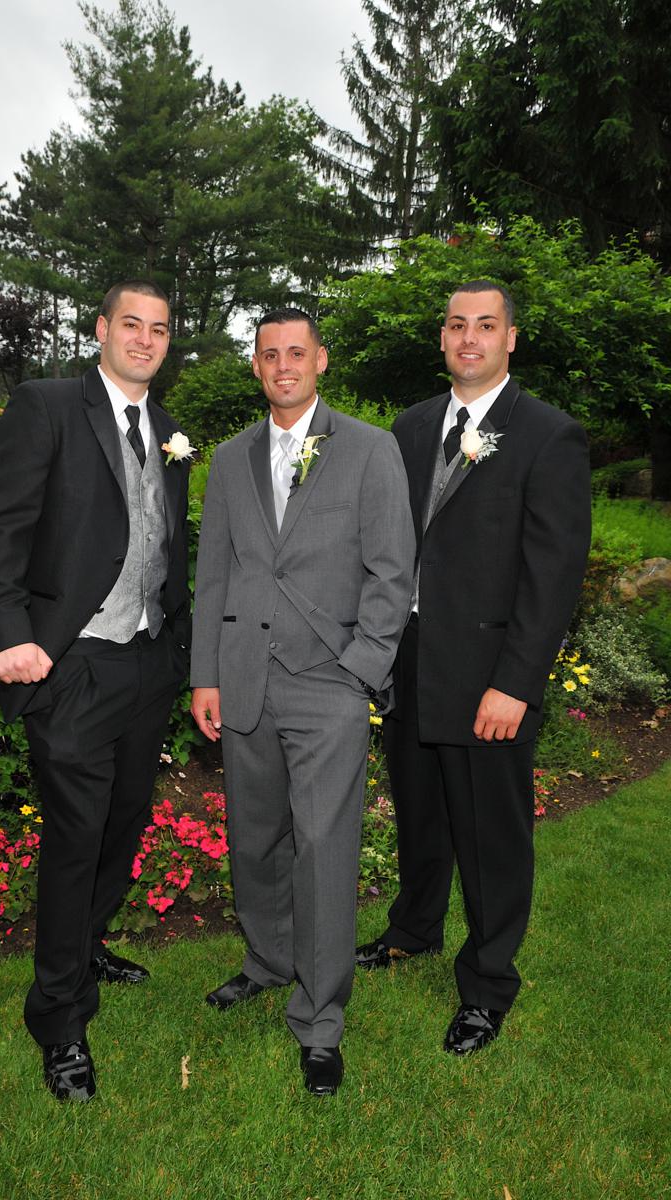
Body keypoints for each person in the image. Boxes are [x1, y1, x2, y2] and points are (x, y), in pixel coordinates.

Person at [0, 281, 192, 1101]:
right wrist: (8, 634)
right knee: (75, 837)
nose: (144, 339)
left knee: (123, 823)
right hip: (71, 665)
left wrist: (180, 648)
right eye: (131, 324)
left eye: (158, 329)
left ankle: (87, 943)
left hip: (147, 662)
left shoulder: (170, 431)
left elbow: (165, 544)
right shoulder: (49, 406)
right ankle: (60, 1020)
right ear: (101, 329)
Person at [356, 280, 591, 1055]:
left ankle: (487, 985)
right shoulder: (411, 426)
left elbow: (553, 575)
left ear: (510, 338)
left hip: (489, 672)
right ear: (443, 336)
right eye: (457, 325)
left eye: (485, 325)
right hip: (411, 659)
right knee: (420, 812)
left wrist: (515, 684)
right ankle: (413, 929)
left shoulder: (548, 435)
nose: (469, 338)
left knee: (491, 837)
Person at [190, 309, 415, 1095]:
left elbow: (393, 570)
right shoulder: (229, 459)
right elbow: (213, 573)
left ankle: (319, 1019)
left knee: (323, 849)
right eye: (269, 354)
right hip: (245, 679)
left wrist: (360, 669)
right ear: (255, 366)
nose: (283, 364)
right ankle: (266, 961)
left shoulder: (370, 449)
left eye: (297, 351)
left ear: (321, 359)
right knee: (255, 839)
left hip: (329, 683)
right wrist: (206, 675)